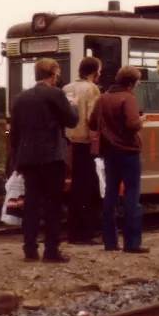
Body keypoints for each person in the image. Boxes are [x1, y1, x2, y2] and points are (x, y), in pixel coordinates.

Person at [10, 59, 79, 262]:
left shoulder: (20, 98)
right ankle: (51, 251)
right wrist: (73, 106)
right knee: (52, 205)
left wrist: (17, 158)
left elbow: (15, 132)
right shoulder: (56, 94)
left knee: (31, 204)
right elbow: (71, 121)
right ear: (54, 74)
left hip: (28, 159)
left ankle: (29, 250)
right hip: (52, 159)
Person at [88, 65, 149, 254]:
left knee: (111, 194)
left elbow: (91, 122)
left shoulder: (102, 98)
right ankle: (132, 243)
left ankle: (110, 242)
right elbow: (132, 124)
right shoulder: (128, 98)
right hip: (129, 152)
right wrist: (142, 120)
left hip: (109, 152)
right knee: (132, 195)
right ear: (131, 83)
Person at [63, 56, 102, 244]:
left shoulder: (67, 88)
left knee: (78, 187)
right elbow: (93, 118)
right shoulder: (92, 89)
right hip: (85, 143)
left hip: (69, 142)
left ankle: (75, 231)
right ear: (95, 72)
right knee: (89, 189)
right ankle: (84, 234)